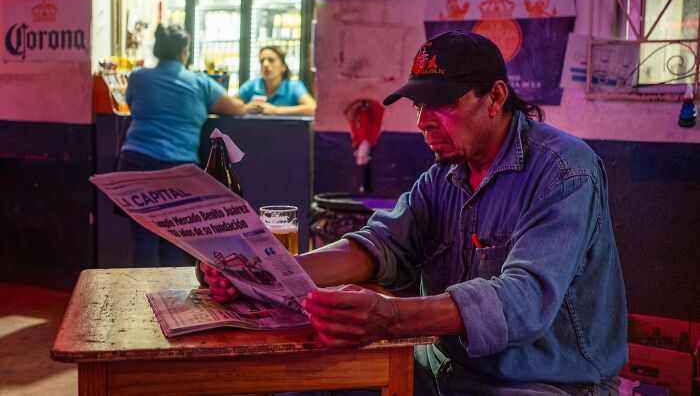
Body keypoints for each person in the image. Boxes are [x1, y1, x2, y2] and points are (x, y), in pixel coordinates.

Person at [201, 30, 628, 394]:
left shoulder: (565, 172)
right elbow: (381, 245)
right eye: (418, 106)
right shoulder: (443, 176)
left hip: (545, 382)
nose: (423, 121)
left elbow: (524, 301)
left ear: (495, 97)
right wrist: (271, 273)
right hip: (441, 369)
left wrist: (391, 317)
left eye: (440, 103)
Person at [118, 24, 245, 267]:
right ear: (184, 51)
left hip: (136, 160)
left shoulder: (138, 77)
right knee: (176, 237)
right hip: (178, 167)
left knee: (142, 239)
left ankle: (139, 299)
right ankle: (172, 299)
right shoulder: (199, 82)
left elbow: (132, 107)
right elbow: (236, 108)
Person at [235, 46, 317, 116]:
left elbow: (313, 108)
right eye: (262, 61)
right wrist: (245, 108)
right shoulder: (250, 85)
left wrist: (276, 110)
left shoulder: (294, 87)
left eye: (271, 60)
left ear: (283, 67)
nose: (265, 64)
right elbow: (229, 107)